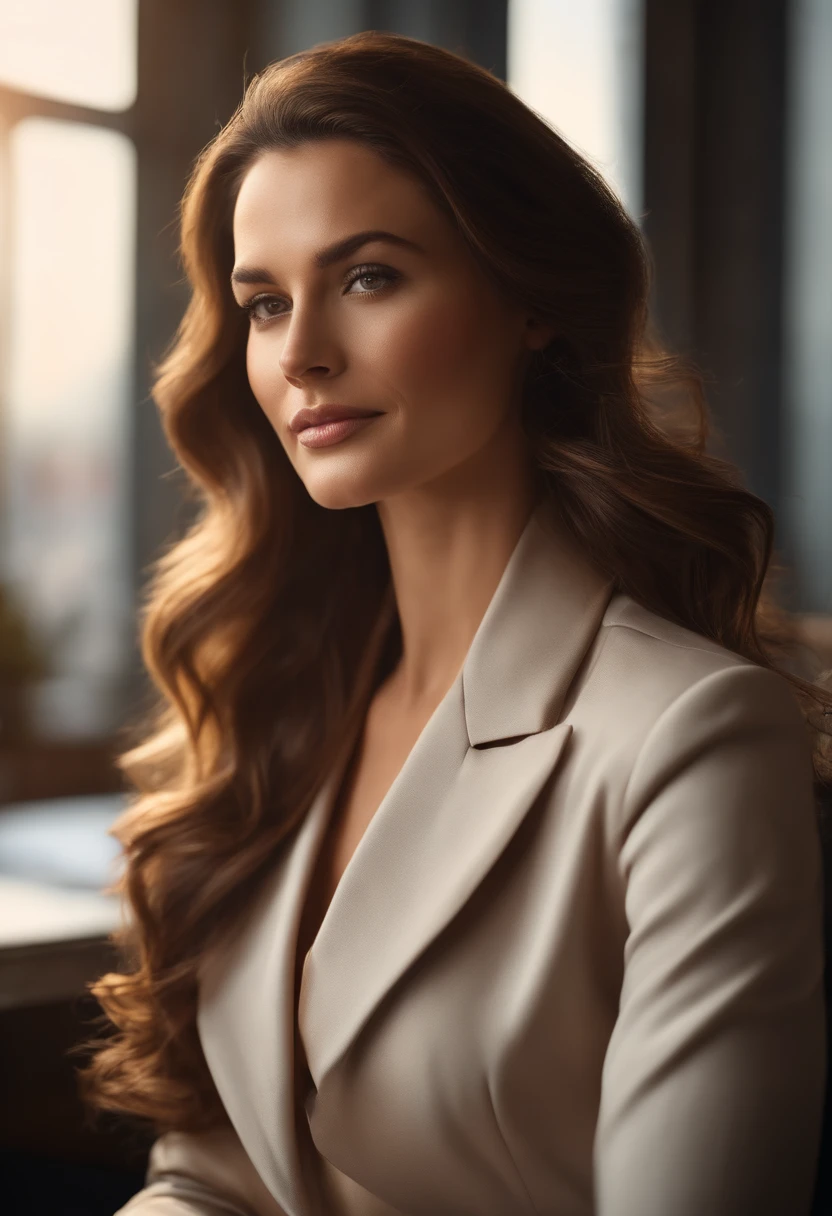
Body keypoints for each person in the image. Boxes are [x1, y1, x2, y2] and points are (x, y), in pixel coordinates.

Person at [76, 30, 832, 1216]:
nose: (304, 354)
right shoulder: (283, 701)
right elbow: (220, 1175)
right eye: (264, 304)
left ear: (528, 297)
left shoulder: (689, 738)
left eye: (369, 276)